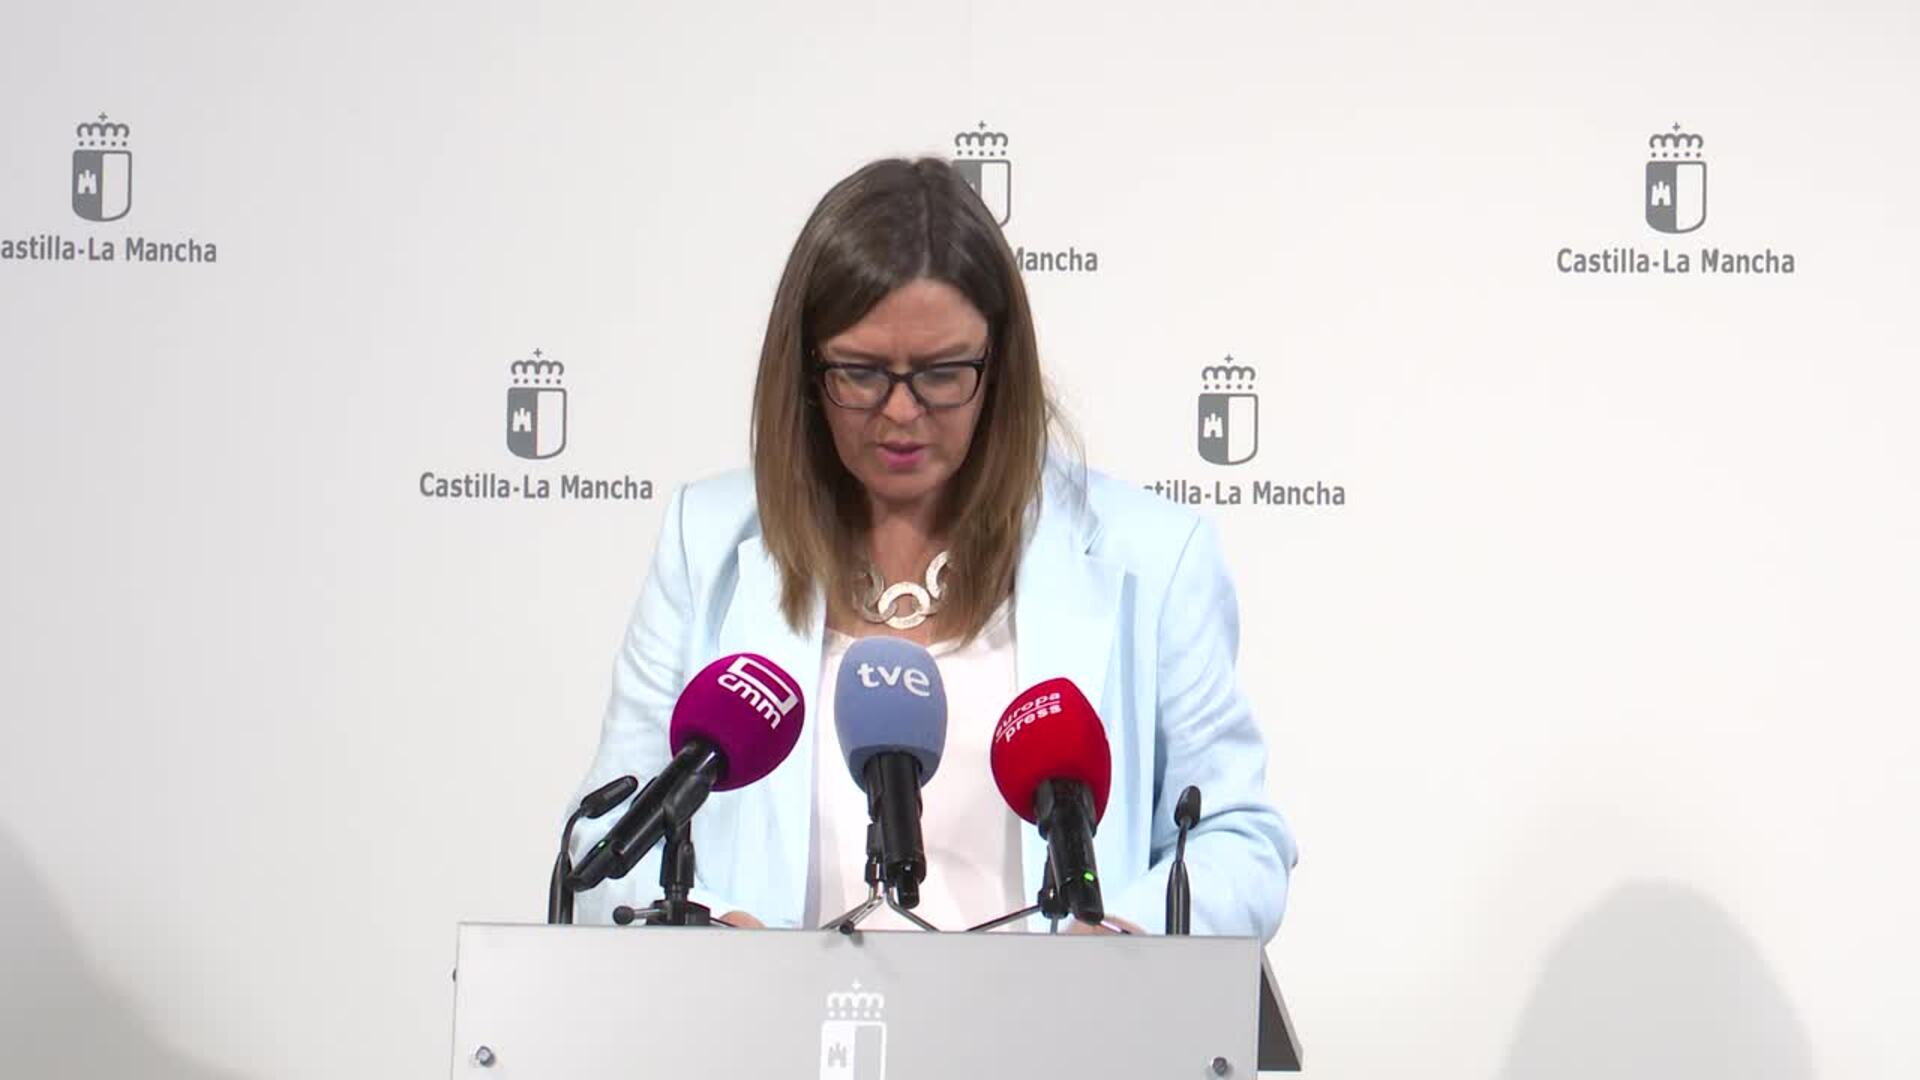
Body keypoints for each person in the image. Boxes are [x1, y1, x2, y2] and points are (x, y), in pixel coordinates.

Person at [567, 157, 1296, 937]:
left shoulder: (1154, 555)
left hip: (1056, 1015)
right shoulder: (704, 540)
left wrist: (1119, 939)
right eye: (861, 373)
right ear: (806, 369)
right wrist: (707, 931)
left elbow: (1240, 844)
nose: (901, 412)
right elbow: (606, 838)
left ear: (1000, 365)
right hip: (766, 1015)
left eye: (942, 374)